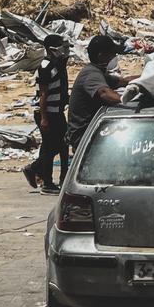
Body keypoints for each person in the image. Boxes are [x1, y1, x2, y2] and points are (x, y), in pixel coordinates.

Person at [67, 35, 137, 149]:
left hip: (93, 129)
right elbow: (105, 93)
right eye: (112, 53)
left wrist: (148, 76)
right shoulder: (92, 75)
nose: (115, 56)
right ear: (101, 56)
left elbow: (123, 81)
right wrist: (128, 100)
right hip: (85, 135)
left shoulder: (98, 72)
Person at [23, 35, 71, 194]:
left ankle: (42, 172)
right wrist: (44, 118)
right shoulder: (45, 67)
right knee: (50, 148)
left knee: (61, 145)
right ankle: (46, 182)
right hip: (48, 113)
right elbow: (43, 94)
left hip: (56, 111)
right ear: (51, 48)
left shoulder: (57, 64)